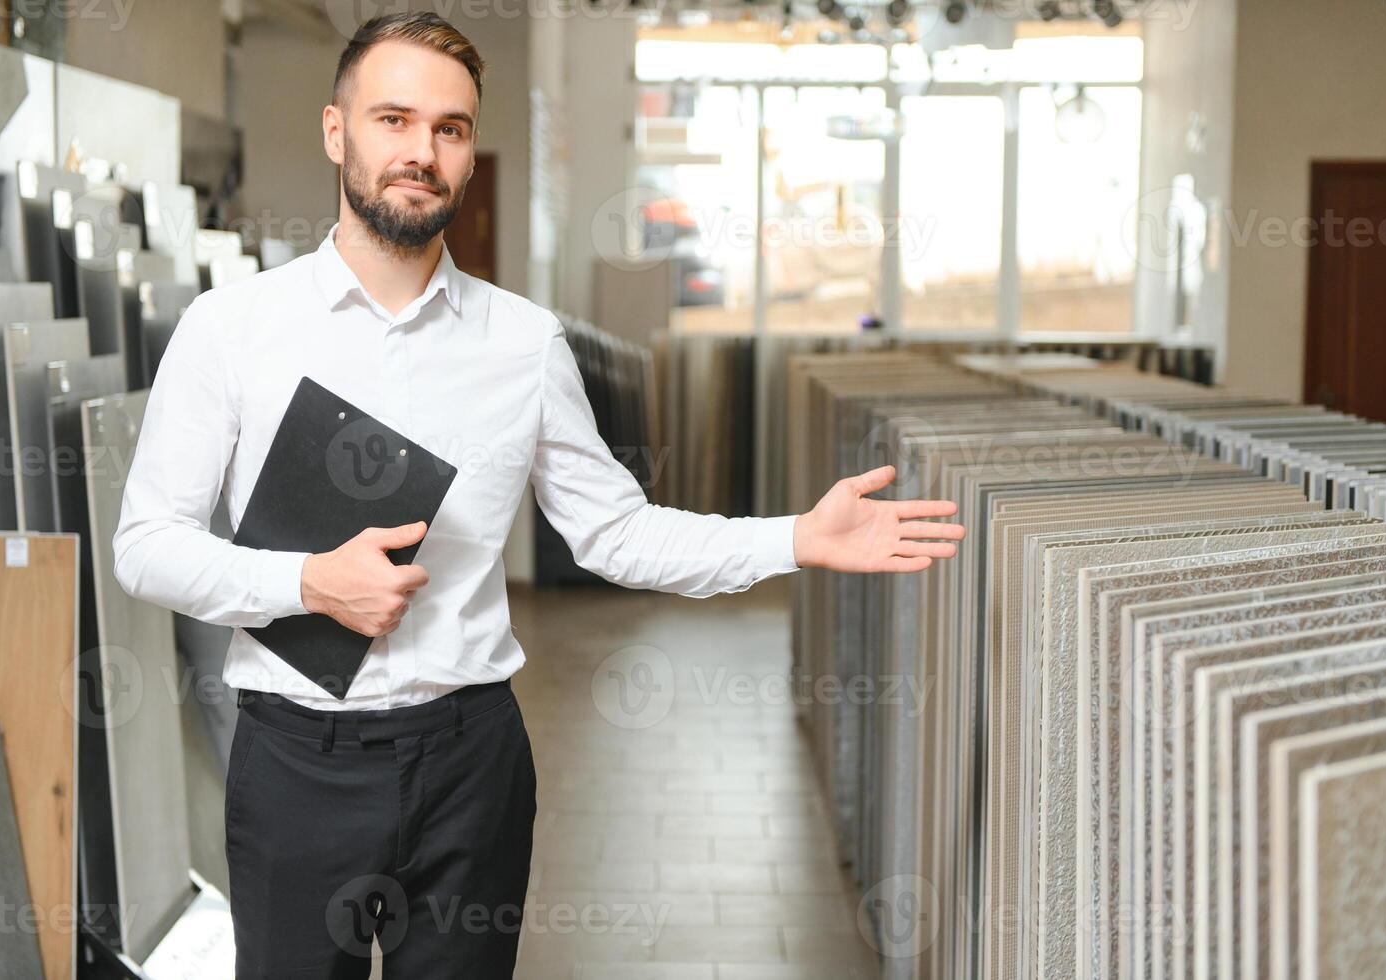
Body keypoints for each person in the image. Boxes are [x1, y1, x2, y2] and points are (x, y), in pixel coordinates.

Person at [111, 11, 965, 979]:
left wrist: (795, 537)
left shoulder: (523, 341)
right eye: (393, 119)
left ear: (471, 154)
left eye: (451, 128)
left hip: (471, 756)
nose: (422, 151)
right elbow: (146, 544)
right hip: (298, 761)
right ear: (336, 131)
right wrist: (308, 581)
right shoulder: (233, 326)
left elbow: (614, 532)